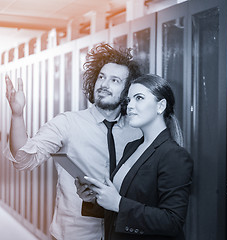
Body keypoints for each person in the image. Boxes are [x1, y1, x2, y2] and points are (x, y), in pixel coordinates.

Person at [4, 43, 143, 240]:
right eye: (101, 77)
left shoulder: (136, 131)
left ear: (128, 90)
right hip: (74, 235)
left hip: (123, 233)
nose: (103, 84)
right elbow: (23, 160)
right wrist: (17, 115)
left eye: (115, 80)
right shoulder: (67, 123)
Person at [76, 74, 193, 240]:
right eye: (129, 100)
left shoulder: (174, 155)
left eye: (139, 98)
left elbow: (172, 221)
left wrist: (118, 203)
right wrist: (93, 199)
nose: (130, 106)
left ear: (161, 106)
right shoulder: (132, 147)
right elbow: (120, 208)